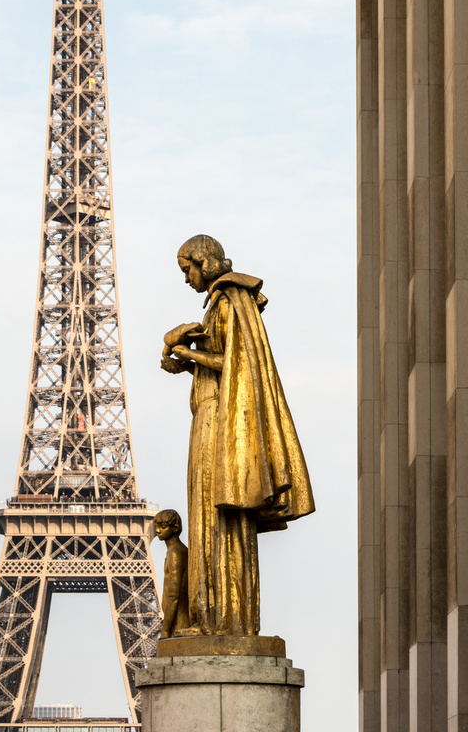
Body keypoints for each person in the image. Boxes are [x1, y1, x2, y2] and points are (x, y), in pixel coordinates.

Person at [161, 235, 314, 636]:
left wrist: (186, 350)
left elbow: (233, 364)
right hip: (211, 415)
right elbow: (227, 365)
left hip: (219, 421)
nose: (186, 278)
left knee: (216, 517)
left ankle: (221, 619)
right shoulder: (220, 304)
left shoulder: (230, 301)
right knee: (210, 517)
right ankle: (213, 616)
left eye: (187, 269)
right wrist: (185, 363)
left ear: (204, 262)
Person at [153, 508, 190, 639]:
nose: (158, 530)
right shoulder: (177, 550)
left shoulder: (175, 553)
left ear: (174, 528)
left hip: (179, 623)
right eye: (156, 526)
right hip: (177, 619)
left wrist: (165, 631)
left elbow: (173, 595)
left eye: (162, 527)